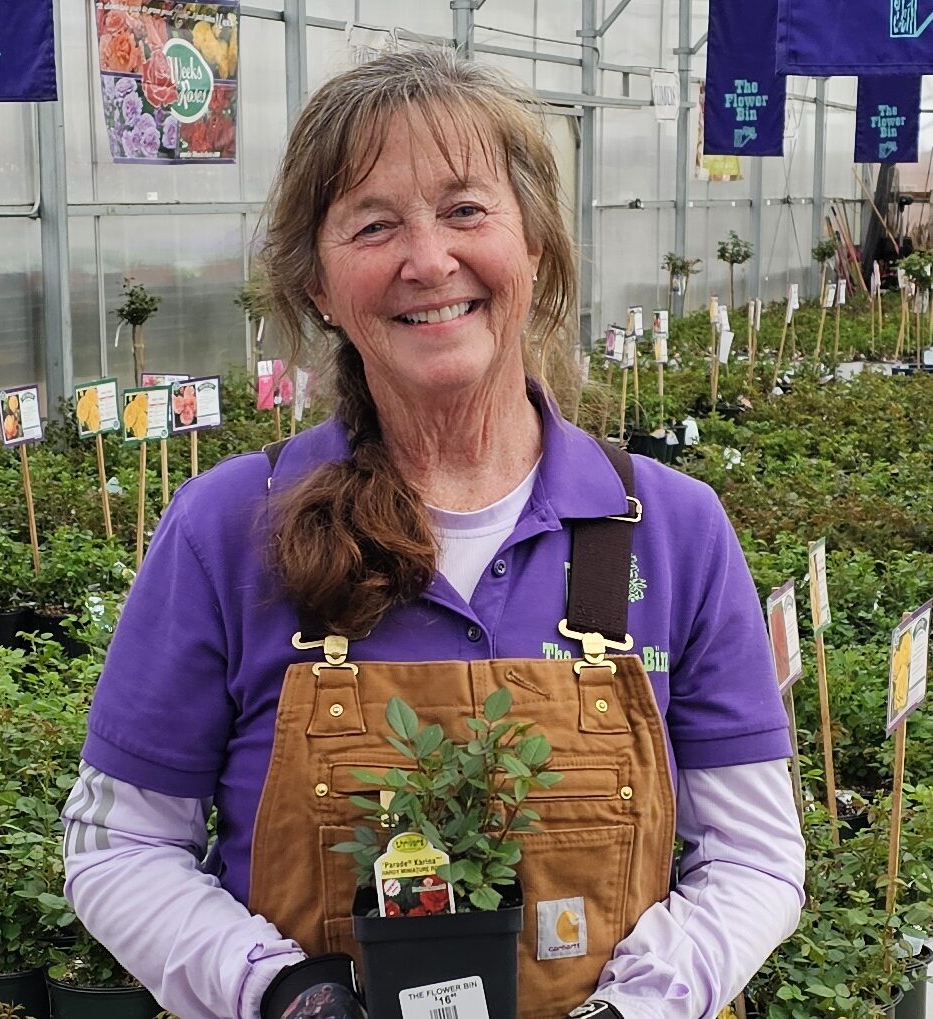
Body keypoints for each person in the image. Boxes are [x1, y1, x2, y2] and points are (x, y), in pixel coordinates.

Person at [63, 48, 805, 1019]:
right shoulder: (230, 525)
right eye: (373, 224)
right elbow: (119, 842)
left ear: (534, 247)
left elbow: (751, 854)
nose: (427, 260)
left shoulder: (667, 530)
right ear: (318, 285)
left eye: (464, 209)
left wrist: (637, 1006)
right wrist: (278, 989)